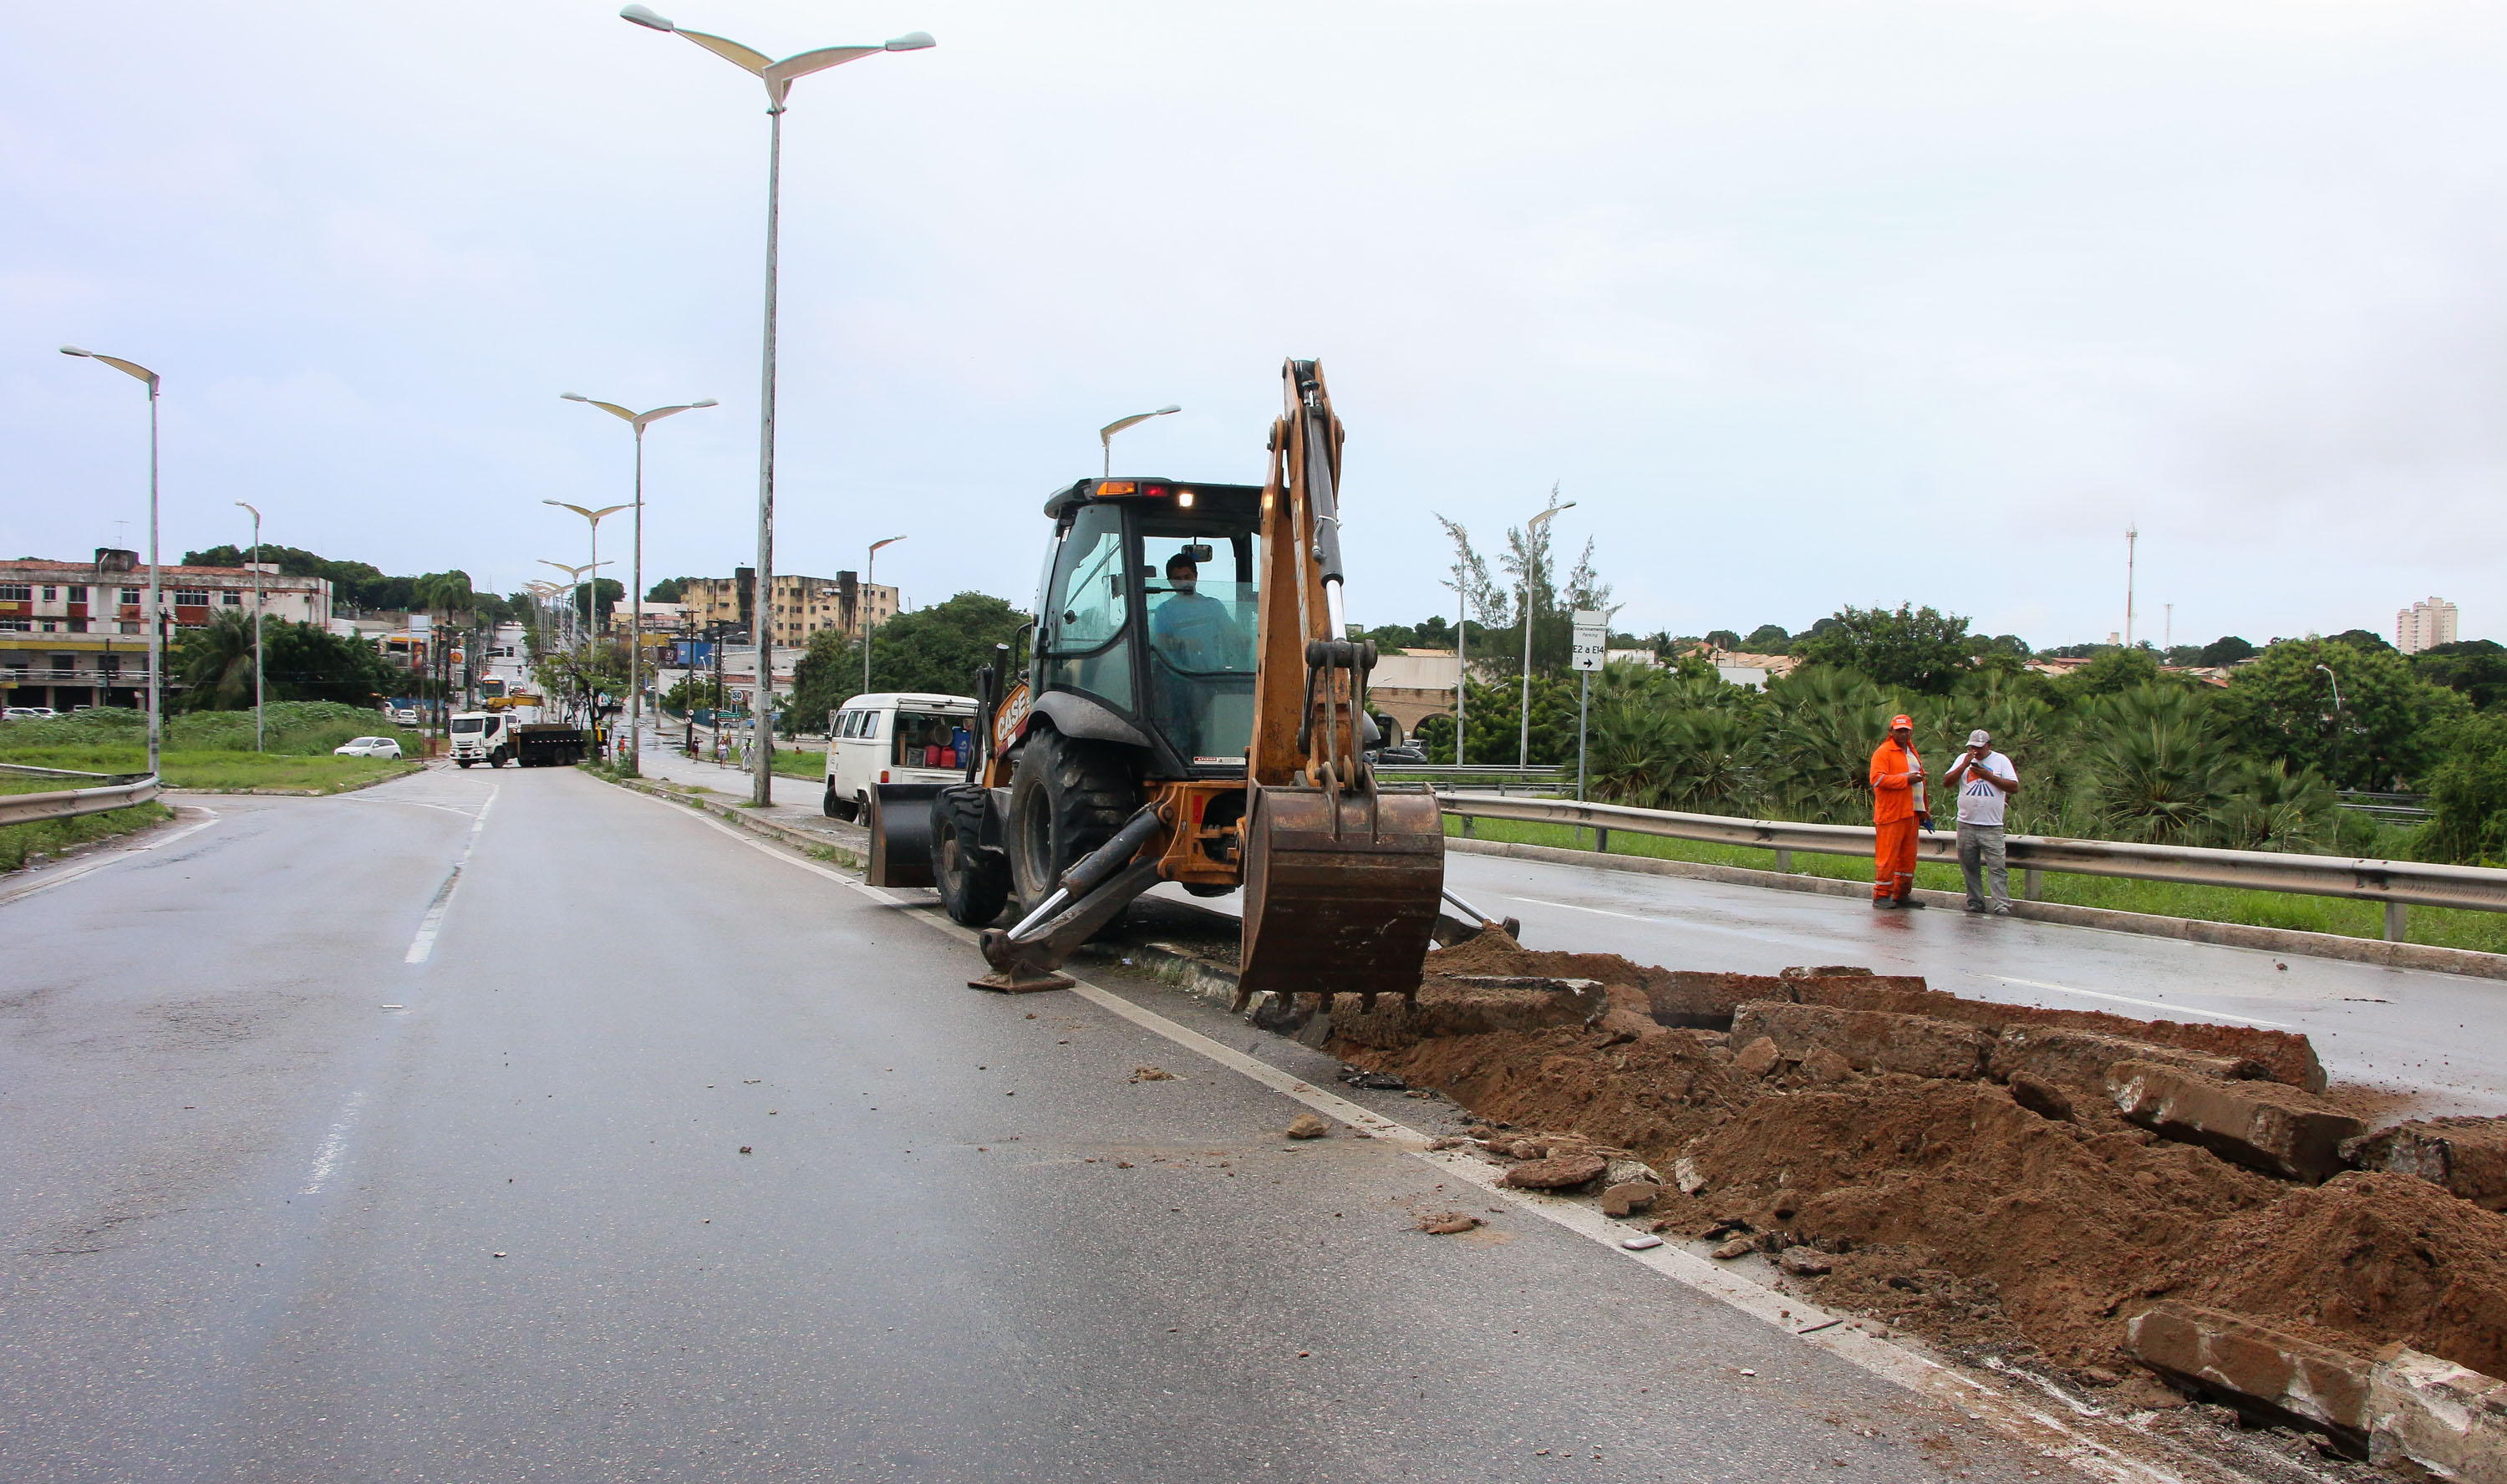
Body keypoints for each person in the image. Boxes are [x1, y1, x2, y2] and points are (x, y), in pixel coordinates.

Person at [1943, 728, 2020, 915]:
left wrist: (1988, 776)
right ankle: (1975, 902)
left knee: (1997, 868)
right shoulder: (1963, 759)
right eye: (1973, 747)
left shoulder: (2001, 761)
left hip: (1991, 826)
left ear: (1989, 746)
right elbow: (1946, 782)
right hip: (1966, 823)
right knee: (1970, 867)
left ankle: (2001, 905)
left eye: (1980, 747)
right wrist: (1964, 766)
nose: (1976, 751)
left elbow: (2014, 787)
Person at [1868, 714, 1932, 909]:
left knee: (1907, 859)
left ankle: (1902, 894)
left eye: (1906, 731)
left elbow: (1919, 785)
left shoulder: (1911, 752)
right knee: (1887, 858)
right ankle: (1881, 896)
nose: (1903, 734)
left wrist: (1924, 812)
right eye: (1899, 731)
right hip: (1891, 814)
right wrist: (1906, 780)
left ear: (1911, 732)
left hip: (1911, 814)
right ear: (1891, 731)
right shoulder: (1884, 752)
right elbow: (1877, 779)